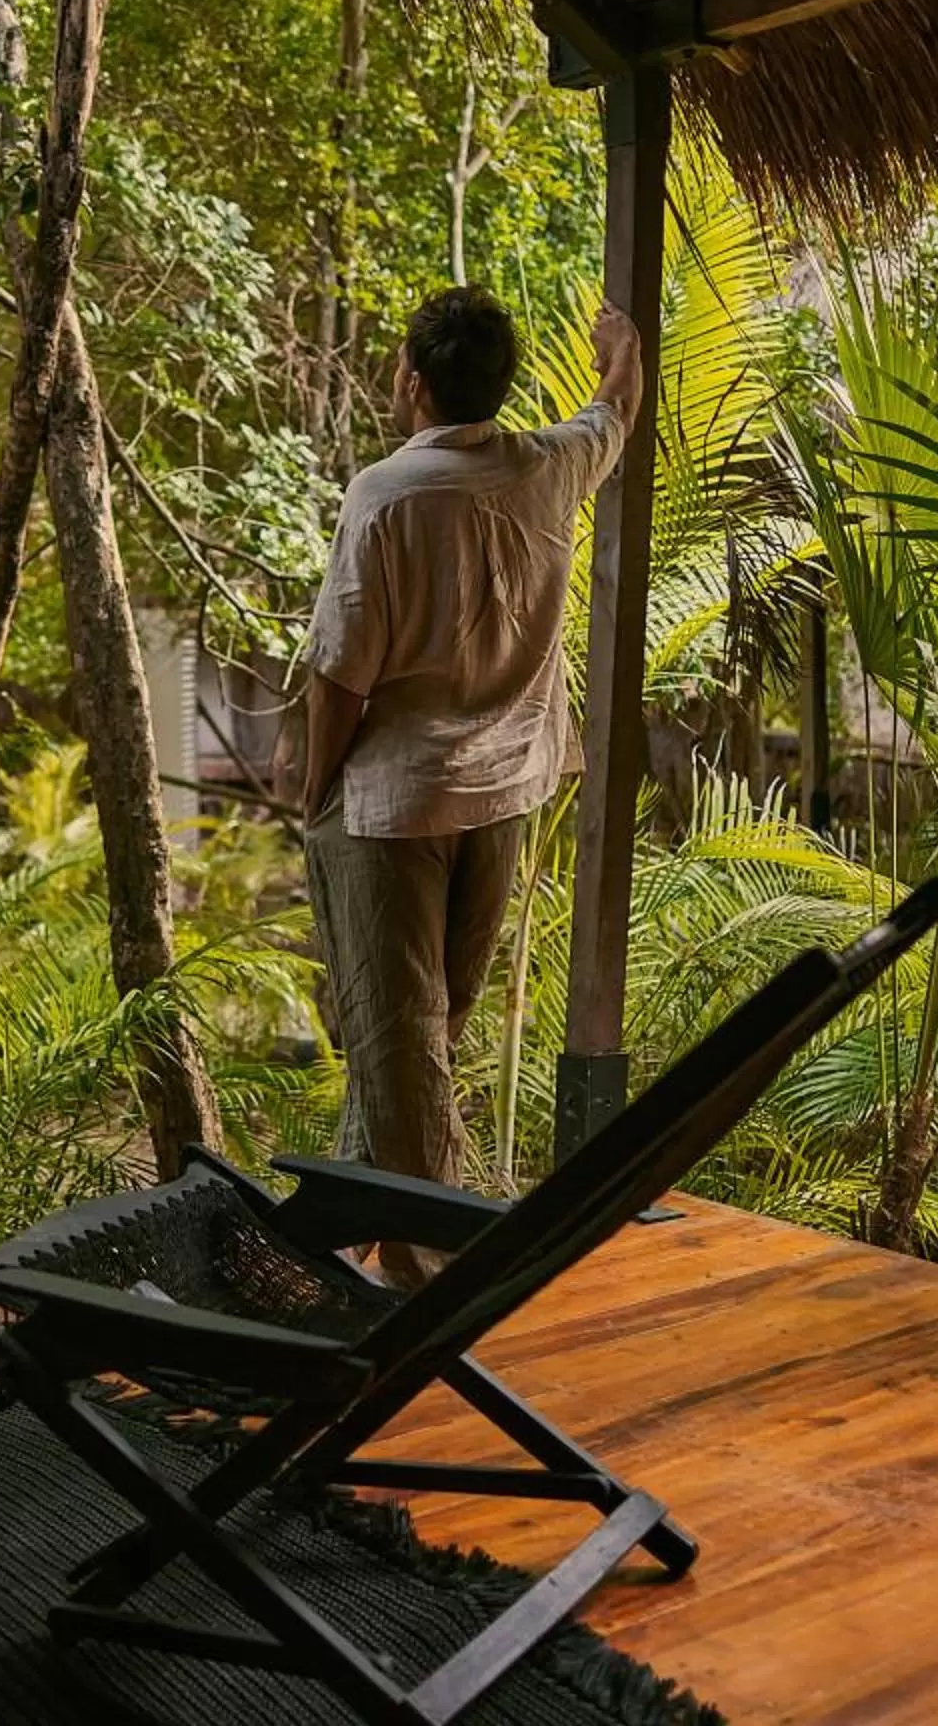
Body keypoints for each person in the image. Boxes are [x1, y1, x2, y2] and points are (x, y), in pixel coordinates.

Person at [296, 284, 645, 1234]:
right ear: (502, 384)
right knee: (429, 1035)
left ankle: (426, 1273)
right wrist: (623, 342)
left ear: (411, 380)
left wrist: (315, 790)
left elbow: (340, 675)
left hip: (396, 808)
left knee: (401, 1042)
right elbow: (615, 409)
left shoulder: (384, 496)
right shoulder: (547, 469)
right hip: (503, 792)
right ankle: (354, 1241)